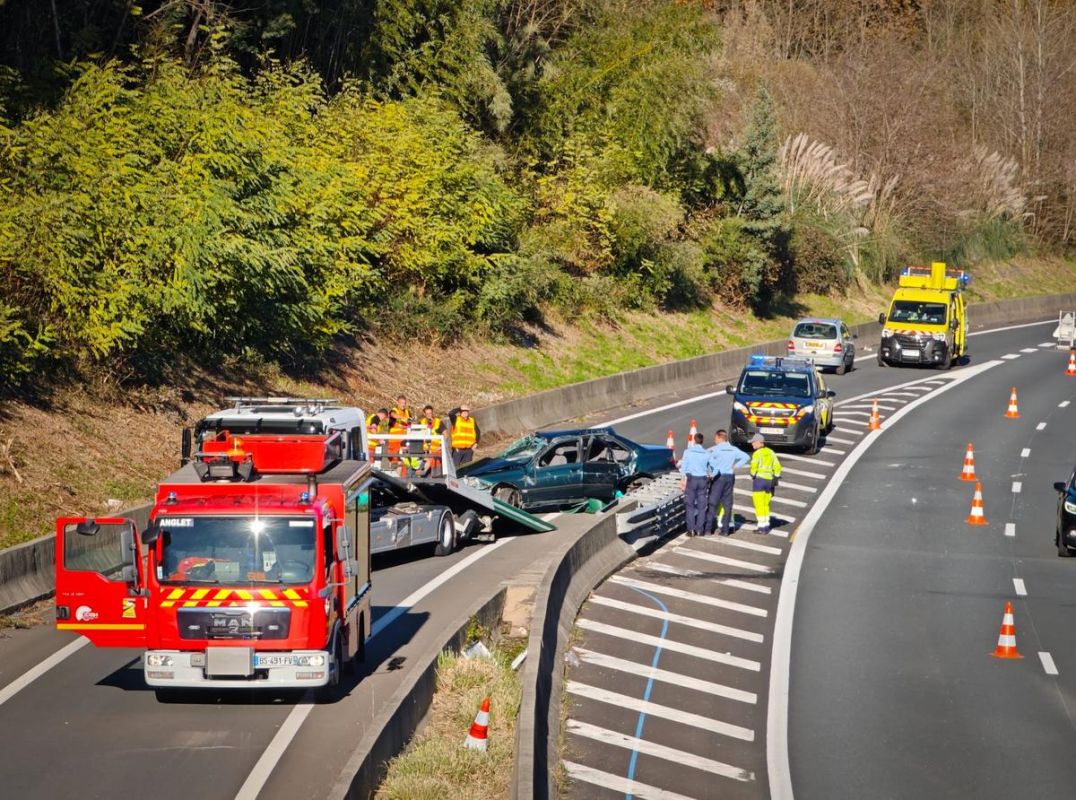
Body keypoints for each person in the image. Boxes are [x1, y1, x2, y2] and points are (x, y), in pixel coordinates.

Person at [706, 429, 749, 535]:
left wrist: (710, 473)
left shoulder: (715, 449)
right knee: (727, 504)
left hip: (718, 477)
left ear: (720, 438)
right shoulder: (733, 449)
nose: (714, 440)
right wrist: (736, 466)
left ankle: (708, 529)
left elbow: (709, 462)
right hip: (729, 477)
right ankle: (725, 530)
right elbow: (746, 457)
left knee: (713, 503)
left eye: (715, 438)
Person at [749, 433, 782, 534]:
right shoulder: (771, 452)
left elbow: (754, 467)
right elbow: (777, 466)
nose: (752, 444)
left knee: (759, 504)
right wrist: (776, 476)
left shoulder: (757, 454)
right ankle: (766, 525)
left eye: (753, 442)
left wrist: (752, 474)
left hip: (759, 481)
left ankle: (761, 527)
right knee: (766, 504)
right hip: (769, 482)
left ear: (759, 442)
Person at [679, 432, 710, 537]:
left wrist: (683, 479)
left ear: (694, 440)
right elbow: (710, 467)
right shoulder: (707, 453)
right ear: (702, 441)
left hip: (691, 480)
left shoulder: (688, 452)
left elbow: (684, 467)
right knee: (702, 506)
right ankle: (700, 530)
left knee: (690, 505)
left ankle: (691, 530)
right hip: (703, 480)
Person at [417, 405, 445, 476]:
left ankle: (424, 471)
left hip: (436, 449)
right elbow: (416, 434)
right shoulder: (421, 422)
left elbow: (446, 434)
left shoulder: (438, 421)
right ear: (424, 414)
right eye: (427, 413)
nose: (429, 415)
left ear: (433, 413)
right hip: (425, 450)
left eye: (430, 413)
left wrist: (442, 446)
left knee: (431, 461)